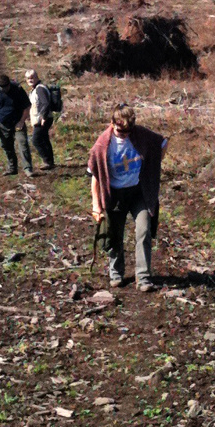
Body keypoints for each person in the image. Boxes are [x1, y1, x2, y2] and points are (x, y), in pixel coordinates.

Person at [87, 103, 167, 292]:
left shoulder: (140, 134)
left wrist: (153, 165)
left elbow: (162, 143)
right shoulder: (102, 145)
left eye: (128, 131)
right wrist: (96, 206)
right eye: (120, 131)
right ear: (112, 123)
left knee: (144, 230)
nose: (124, 135)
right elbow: (96, 178)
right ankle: (116, 273)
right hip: (115, 194)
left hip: (139, 192)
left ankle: (144, 277)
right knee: (115, 235)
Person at [0, 72, 33, 176]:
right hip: (2, 124)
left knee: (23, 143)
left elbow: (27, 107)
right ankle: (12, 168)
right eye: (3, 87)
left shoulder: (17, 89)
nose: (5, 89)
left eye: (7, 86)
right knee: (7, 146)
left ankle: (28, 169)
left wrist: (21, 121)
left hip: (17, 122)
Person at [25, 69, 55, 169]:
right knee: (44, 139)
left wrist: (44, 117)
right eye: (28, 78)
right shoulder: (36, 89)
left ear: (37, 77)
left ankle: (47, 161)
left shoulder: (40, 89)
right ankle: (50, 162)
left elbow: (45, 103)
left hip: (42, 119)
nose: (30, 80)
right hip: (41, 118)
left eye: (32, 78)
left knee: (36, 140)